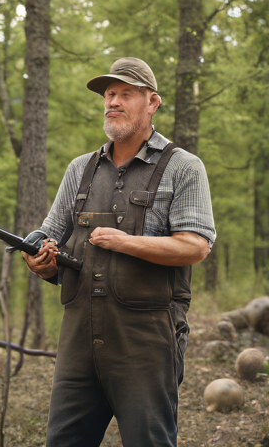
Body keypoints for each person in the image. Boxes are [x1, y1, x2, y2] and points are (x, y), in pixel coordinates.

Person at [22, 57, 215, 447]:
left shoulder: (183, 167)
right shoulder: (80, 168)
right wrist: (38, 258)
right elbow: (50, 234)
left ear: (152, 102)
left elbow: (196, 246)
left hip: (146, 341)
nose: (113, 101)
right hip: (77, 337)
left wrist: (123, 241)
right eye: (109, 94)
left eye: (126, 93)